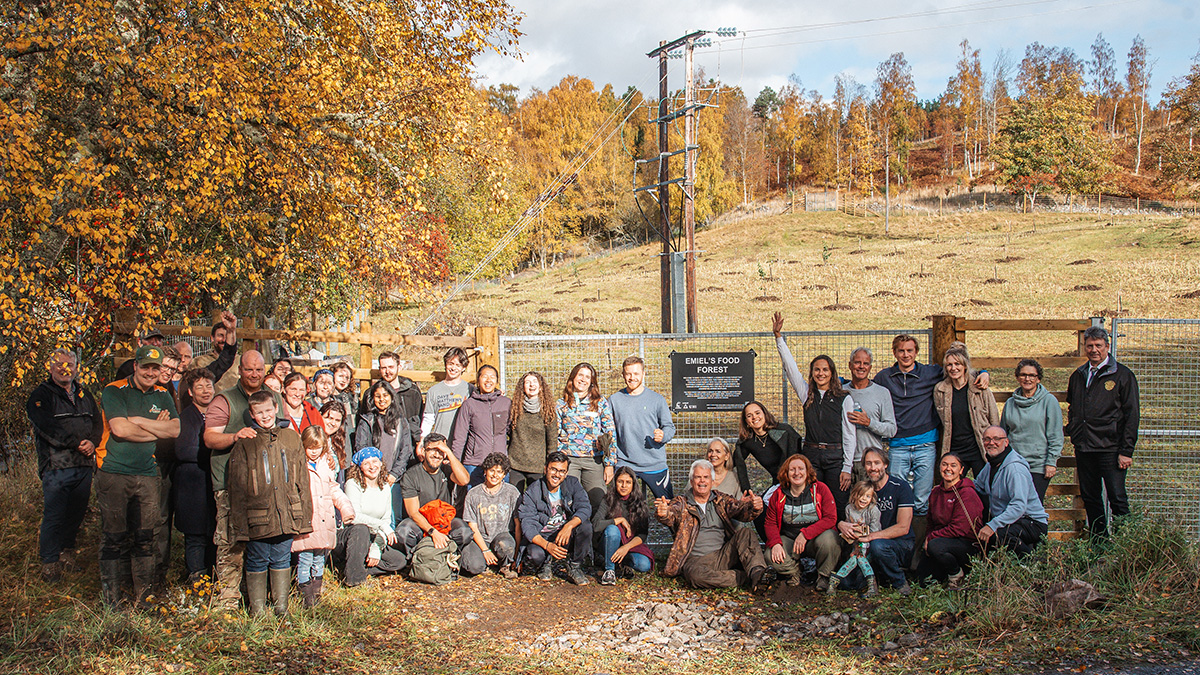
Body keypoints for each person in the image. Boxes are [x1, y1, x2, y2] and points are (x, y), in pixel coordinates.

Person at [96, 345, 180, 608]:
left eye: (157, 368)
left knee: (145, 536)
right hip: (114, 470)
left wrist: (139, 421)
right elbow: (120, 429)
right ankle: (113, 598)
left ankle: (144, 596)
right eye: (146, 367)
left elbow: (176, 429)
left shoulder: (163, 394)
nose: (151, 372)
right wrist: (157, 428)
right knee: (114, 536)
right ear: (136, 366)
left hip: (147, 473)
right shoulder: (114, 390)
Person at [874, 335, 989, 519]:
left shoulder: (930, 373)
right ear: (894, 353)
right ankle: (899, 540)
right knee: (897, 496)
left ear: (916, 352)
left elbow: (959, 370)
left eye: (910, 350)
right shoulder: (884, 377)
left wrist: (984, 372)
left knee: (922, 499)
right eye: (901, 351)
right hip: (898, 445)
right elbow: (862, 385)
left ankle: (920, 543)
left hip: (925, 444)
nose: (905, 355)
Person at [203, 350, 280, 612]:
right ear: (240, 370)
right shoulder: (224, 400)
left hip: (267, 486)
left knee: (261, 541)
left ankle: (256, 598)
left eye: (259, 370)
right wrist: (235, 436)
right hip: (230, 484)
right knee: (230, 541)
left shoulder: (273, 397)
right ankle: (227, 601)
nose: (254, 374)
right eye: (249, 370)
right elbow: (210, 438)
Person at [227, 391, 312, 617]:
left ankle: (280, 607)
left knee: (282, 557)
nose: (265, 416)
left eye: (268, 410)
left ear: (276, 408)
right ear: (252, 415)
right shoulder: (246, 442)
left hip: (287, 513)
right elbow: (236, 487)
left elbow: (302, 478)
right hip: (258, 516)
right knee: (257, 558)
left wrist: (304, 517)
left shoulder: (291, 438)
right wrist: (239, 524)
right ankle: (257, 609)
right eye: (259, 412)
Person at [26, 348, 101, 583]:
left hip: (83, 465)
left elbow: (97, 422)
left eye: (69, 364)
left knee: (76, 514)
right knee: (54, 516)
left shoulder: (84, 394)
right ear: (50, 368)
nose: (64, 368)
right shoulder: (41, 396)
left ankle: (66, 553)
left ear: (77, 367)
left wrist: (93, 442)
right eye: (59, 364)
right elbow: (47, 427)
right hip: (56, 467)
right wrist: (76, 443)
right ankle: (49, 563)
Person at [773, 313, 855, 515]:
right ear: (812, 373)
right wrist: (778, 337)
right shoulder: (807, 394)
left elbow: (850, 434)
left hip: (836, 457)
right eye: (817, 370)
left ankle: (839, 544)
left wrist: (847, 467)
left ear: (832, 372)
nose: (821, 373)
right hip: (812, 455)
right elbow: (790, 369)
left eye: (825, 370)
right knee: (814, 503)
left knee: (838, 503)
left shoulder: (845, 398)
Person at [1066, 326, 1139, 537]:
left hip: (1111, 448)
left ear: (1107, 346)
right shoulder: (1078, 375)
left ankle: (1126, 544)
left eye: (1099, 345)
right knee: (1091, 497)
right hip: (1085, 447)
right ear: (1084, 347)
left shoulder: (1122, 375)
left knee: (1116, 497)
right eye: (1090, 346)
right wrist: (1075, 432)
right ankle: (1099, 543)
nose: (1094, 350)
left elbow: (1131, 414)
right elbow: (1073, 407)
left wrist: (1127, 450)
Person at [656, 459, 766, 590]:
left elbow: (741, 510)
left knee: (746, 533)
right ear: (691, 481)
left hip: (723, 555)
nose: (702, 481)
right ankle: (744, 578)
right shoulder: (682, 503)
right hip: (696, 561)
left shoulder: (721, 500)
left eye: (706, 477)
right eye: (697, 477)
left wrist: (754, 506)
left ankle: (758, 573)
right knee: (696, 577)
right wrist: (663, 514)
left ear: (712, 481)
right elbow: (670, 515)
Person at [836, 448, 915, 596]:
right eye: (868, 463)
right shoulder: (863, 489)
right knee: (846, 583)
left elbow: (903, 527)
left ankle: (900, 583)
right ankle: (878, 578)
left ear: (885, 464)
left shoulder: (900, 487)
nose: (873, 468)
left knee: (879, 546)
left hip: (898, 544)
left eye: (877, 463)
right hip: (866, 545)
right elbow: (850, 513)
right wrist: (842, 524)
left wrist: (872, 537)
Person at [292, 426, 355, 607]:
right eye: (310, 447)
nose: (314, 452)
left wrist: (345, 509)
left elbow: (333, 488)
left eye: (318, 448)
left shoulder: (325, 465)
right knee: (305, 559)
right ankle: (306, 596)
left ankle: (316, 593)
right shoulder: (299, 465)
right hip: (307, 521)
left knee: (319, 559)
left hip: (324, 519)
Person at [763, 454, 841, 590]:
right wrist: (775, 543)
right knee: (770, 555)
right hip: (790, 539)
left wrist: (805, 534)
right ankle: (794, 572)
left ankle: (824, 576)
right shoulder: (779, 493)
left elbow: (831, 518)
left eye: (801, 469)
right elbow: (770, 523)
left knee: (830, 539)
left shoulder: (820, 489)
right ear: (786, 473)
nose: (797, 473)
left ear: (807, 471)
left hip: (815, 539)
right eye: (792, 469)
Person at [517, 452, 593, 585]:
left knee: (585, 526)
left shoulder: (572, 483)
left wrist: (569, 526)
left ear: (566, 473)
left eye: (562, 471)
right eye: (554, 469)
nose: (557, 475)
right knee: (534, 555)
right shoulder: (533, 491)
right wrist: (547, 546)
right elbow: (527, 525)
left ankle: (574, 566)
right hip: (543, 536)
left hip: (564, 533)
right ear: (546, 468)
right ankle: (544, 565)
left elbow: (585, 507)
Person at [608, 356, 676, 499]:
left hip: (654, 463)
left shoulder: (657, 400)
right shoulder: (614, 400)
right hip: (624, 463)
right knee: (621, 509)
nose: (632, 377)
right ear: (623, 375)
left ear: (644, 374)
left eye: (636, 373)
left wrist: (663, 435)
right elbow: (607, 430)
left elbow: (669, 427)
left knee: (668, 508)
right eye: (628, 374)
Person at [173, 368, 218, 582]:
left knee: (212, 534)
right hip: (193, 484)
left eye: (208, 385)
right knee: (195, 536)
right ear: (191, 392)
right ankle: (197, 580)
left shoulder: (217, 413)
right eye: (199, 387)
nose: (205, 391)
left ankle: (211, 577)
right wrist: (216, 450)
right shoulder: (187, 417)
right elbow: (183, 451)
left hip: (211, 482)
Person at [337, 448, 406, 585]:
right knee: (361, 529)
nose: (372, 466)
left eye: (375, 461)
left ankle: (356, 569)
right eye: (366, 463)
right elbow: (353, 517)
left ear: (381, 463)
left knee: (399, 561)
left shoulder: (385, 486)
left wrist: (376, 547)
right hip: (352, 536)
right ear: (360, 467)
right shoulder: (353, 484)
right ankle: (354, 581)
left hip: (372, 537)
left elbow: (386, 519)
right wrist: (381, 525)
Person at [974, 427, 1049, 556]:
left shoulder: (1015, 469)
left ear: (1006, 442)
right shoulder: (991, 464)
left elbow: (1019, 506)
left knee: (997, 536)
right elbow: (977, 487)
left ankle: (1029, 563)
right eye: (987, 439)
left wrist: (993, 525)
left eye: (997, 439)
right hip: (1010, 520)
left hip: (1031, 521)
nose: (991, 443)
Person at [395, 434, 472, 558]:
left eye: (440, 451)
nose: (437, 455)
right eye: (432, 450)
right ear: (424, 451)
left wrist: (449, 452)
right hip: (422, 522)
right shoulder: (411, 475)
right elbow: (413, 513)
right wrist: (433, 532)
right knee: (404, 532)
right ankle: (416, 559)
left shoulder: (447, 470)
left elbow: (464, 480)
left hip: (444, 520)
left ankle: (448, 557)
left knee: (464, 532)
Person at [916, 453, 984, 589]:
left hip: (966, 543)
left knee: (935, 546)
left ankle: (957, 575)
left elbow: (959, 528)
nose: (948, 469)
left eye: (953, 465)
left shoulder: (966, 493)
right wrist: (929, 537)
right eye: (944, 464)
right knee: (924, 581)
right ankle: (944, 572)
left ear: (961, 470)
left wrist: (931, 538)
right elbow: (931, 522)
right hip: (942, 540)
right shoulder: (935, 492)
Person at [1000, 359, 1064, 502]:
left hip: (1038, 465)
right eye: (1023, 375)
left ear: (1038, 379)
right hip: (1015, 463)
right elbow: (1003, 433)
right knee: (1014, 503)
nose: (1027, 379)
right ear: (1017, 377)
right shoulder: (1010, 403)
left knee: (1033, 505)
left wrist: (1051, 462)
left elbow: (1056, 435)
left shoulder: (1049, 401)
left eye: (1031, 375)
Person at [933, 342, 1000, 478]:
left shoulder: (980, 387)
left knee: (986, 489)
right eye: (950, 365)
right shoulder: (940, 390)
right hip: (955, 448)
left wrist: (995, 444)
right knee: (954, 489)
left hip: (978, 447)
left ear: (965, 366)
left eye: (957, 364)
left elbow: (993, 418)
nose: (953, 368)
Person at [556, 362, 616, 510]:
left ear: (592, 382)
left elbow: (610, 433)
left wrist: (609, 464)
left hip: (593, 460)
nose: (583, 379)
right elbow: (554, 434)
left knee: (598, 500)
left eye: (587, 377)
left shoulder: (600, 403)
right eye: (580, 375)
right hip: (568, 460)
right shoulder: (561, 404)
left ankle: (595, 532)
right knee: (568, 501)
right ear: (573, 377)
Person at [355, 379, 415, 517]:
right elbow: (361, 448)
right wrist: (372, 472)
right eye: (378, 396)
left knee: (393, 517)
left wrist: (394, 474)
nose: (382, 399)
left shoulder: (401, 421)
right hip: (371, 478)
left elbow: (405, 450)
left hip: (393, 479)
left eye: (385, 395)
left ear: (391, 397)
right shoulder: (367, 421)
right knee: (371, 515)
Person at [461, 452, 521, 577]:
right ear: (485, 471)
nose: (495, 475)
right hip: (481, 538)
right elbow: (472, 526)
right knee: (472, 565)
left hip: (502, 536)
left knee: (506, 546)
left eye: (499, 472)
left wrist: (517, 556)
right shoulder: (473, 494)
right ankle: (485, 563)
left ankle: (505, 565)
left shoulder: (512, 492)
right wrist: (485, 550)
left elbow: (517, 525)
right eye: (492, 470)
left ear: (504, 474)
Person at [450, 365, 512, 484]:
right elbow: (459, 437)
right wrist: (456, 463)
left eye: (492, 377)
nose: (488, 380)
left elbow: (512, 432)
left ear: (497, 381)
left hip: (500, 466)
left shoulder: (506, 403)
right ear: (478, 380)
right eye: (484, 376)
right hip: (475, 464)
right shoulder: (469, 405)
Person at [593, 466, 655, 585]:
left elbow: (642, 535)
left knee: (644, 564)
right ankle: (609, 570)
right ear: (615, 483)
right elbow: (595, 525)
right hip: (608, 542)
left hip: (629, 546)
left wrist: (625, 548)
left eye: (628, 482)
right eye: (620, 482)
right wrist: (618, 520)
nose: (624, 486)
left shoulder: (640, 504)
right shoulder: (608, 500)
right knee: (612, 529)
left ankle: (622, 563)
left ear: (633, 484)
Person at [844, 347, 897, 483]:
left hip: (871, 463)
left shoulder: (881, 393)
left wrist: (868, 423)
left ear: (870, 367)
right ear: (850, 365)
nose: (861, 366)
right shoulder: (841, 392)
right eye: (857, 362)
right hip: (845, 462)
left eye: (865, 363)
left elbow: (891, 429)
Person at [359, 351, 423, 451]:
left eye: (391, 367)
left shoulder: (412, 392)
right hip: (380, 446)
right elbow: (364, 423)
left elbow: (419, 418)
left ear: (399, 366)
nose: (387, 371)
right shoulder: (370, 394)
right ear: (379, 369)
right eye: (383, 368)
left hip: (409, 445)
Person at [732, 400, 800, 493]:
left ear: (764, 414)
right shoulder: (747, 442)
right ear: (746, 422)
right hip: (777, 484)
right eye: (749, 415)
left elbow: (801, 457)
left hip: (797, 480)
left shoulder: (784, 431)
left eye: (757, 413)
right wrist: (747, 491)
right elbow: (735, 463)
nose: (754, 417)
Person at [828, 482, 882, 596]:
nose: (864, 499)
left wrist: (861, 537)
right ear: (854, 495)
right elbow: (848, 526)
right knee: (856, 559)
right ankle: (871, 586)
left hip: (869, 543)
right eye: (861, 495)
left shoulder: (873, 510)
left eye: (868, 496)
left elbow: (875, 530)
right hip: (854, 544)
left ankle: (834, 582)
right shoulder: (849, 508)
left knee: (859, 559)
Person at [508, 371, 557, 493]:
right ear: (522, 387)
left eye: (535, 382)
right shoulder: (514, 408)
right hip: (515, 465)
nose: (531, 385)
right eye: (527, 382)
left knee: (536, 500)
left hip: (538, 466)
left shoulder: (548, 411)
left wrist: (550, 464)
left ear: (541, 387)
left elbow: (552, 441)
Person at [420, 347, 472, 442]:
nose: (453, 368)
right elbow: (428, 419)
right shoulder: (433, 391)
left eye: (458, 365)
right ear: (445, 364)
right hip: (440, 441)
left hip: (463, 442)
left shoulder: (470, 390)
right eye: (451, 364)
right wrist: (422, 440)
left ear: (463, 367)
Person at [190, 310, 240, 392]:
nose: (224, 340)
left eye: (227, 336)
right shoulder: (199, 362)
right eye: (220, 335)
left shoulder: (239, 361)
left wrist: (231, 330)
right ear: (212, 338)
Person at [319, 401, 350, 477]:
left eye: (337, 420)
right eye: (329, 418)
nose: (333, 423)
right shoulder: (313, 440)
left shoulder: (337, 441)